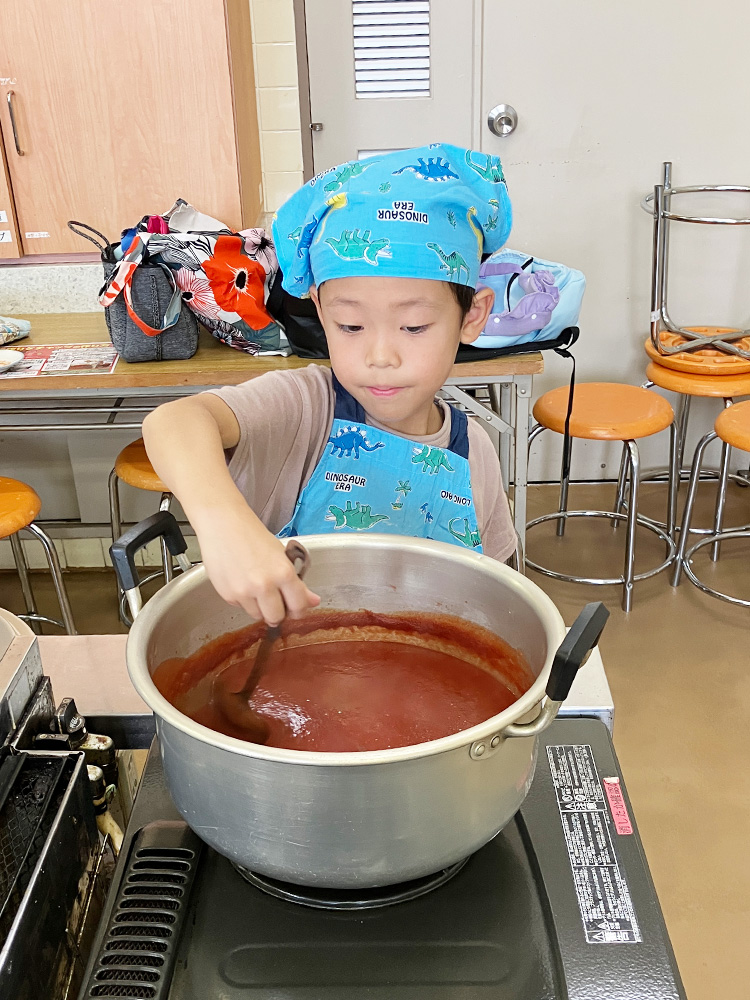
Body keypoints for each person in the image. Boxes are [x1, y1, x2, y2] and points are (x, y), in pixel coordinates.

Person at [142, 142, 517, 628]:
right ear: (320, 312)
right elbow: (173, 422)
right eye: (351, 327)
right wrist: (224, 524)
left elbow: (497, 598)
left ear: (472, 317)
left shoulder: (476, 453)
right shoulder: (307, 409)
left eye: (415, 326)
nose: (380, 357)